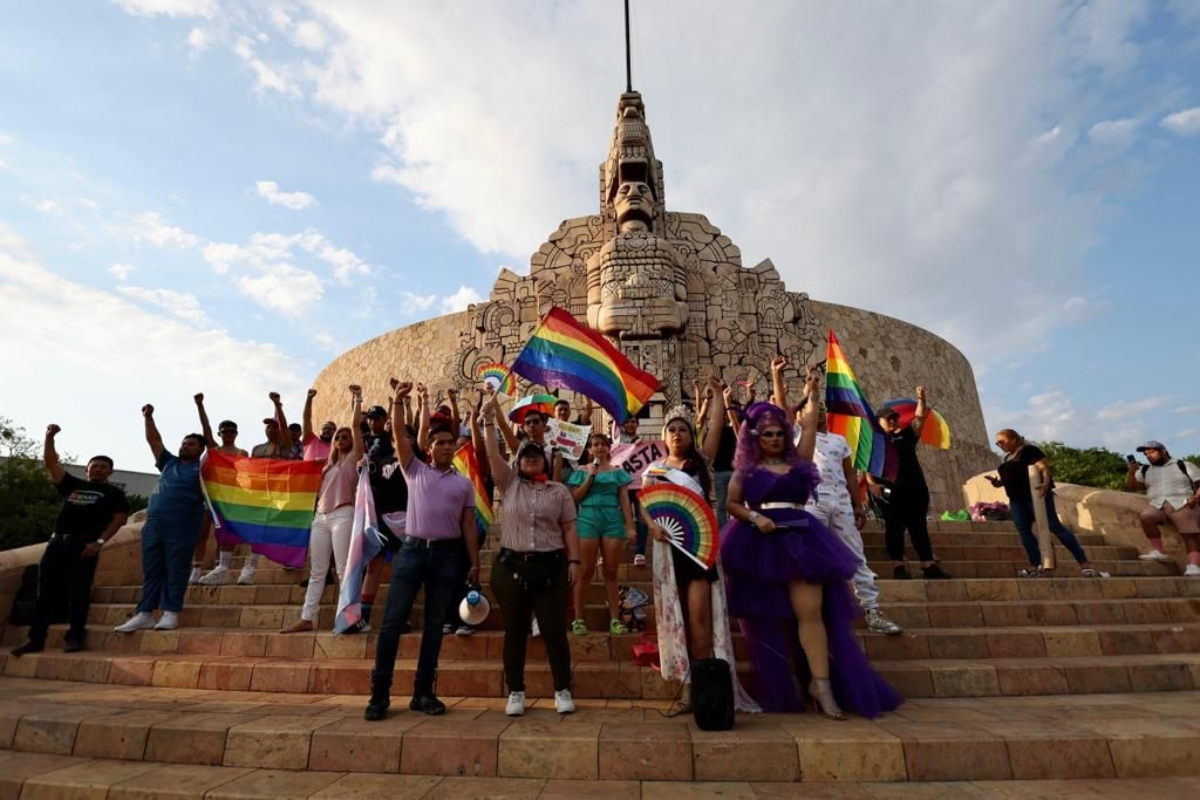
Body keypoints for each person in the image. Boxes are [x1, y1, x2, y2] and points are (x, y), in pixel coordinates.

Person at [721, 374, 902, 719]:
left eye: (779, 433)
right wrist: (753, 518)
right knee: (767, 617)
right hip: (759, 542)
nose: (775, 438)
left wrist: (814, 396)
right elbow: (732, 503)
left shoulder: (800, 460)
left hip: (801, 538)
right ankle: (786, 679)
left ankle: (822, 684)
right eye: (768, 434)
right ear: (756, 437)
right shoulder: (745, 469)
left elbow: (806, 432)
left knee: (811, 612)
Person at [640, 376, 758, 714]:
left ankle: (708, 686)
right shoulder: (654, 470)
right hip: (668, 548)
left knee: (699, 617)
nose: (677, 434)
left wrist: (719, 395)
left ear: (691, 435)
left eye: (683, 429)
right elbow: (645, 507)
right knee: (674, 617)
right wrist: (653, 528)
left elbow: (717, 425)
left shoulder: (700, 463)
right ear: (663, 437)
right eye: (672, 429)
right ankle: (688, 689)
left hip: (698, 548)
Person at [364, 381, 479, 721]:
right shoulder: (414, 470)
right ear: (429, 448)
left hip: (446, 557)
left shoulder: (464, 483)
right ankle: (379, 694)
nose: (446, 446)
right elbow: (399, 435)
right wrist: (398, 404)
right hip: (412, 552)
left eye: (450, 442)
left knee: (433, 627)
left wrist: (474, 563)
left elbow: (469, 525)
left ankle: (424, 692)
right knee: (392, 623)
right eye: (439, 442)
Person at [778, 354, 901, 634]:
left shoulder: (839, 440)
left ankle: (872, 610)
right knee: (810, 554)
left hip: (841, 502)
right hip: (811, 500)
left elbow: (849, 475)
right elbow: (784, 412)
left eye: (821, 408)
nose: (818, 411)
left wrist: (858, 506)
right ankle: (812, 612)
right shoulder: (797, 434)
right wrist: (809, 391)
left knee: (855, 554)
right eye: (813, 408)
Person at [481, 397, 580, 717]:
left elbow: (569, 529)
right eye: (526, 456)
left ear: (545, 461)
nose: (532, 459)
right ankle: (516, 691)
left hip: (550, 567)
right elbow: (493, 453)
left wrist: (575, 561)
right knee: (515, 631)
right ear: (519, 461)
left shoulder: (559, 492)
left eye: (537, 456)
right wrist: (487, 421)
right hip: (511, 567)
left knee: (554, 630)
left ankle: (562, 688)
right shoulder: (509, 485)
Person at [11, 425, 129, 657]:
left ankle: (74, 637)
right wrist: (49, 437)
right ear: (87, 469)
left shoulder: (114, 494)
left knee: (79, 592)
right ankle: (36, 639)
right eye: (94, 466)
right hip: (57, 544)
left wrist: (99, 543)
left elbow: (119, 519)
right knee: (43, 593)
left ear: (110, 472)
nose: (98, 469)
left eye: (103, 467)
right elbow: (50, 463)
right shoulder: (72, 485)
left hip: (84, 545)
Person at [115, 404, 206, 633]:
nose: (185, 446)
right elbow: (154, 441)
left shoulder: (205, 469)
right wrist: (148, 417)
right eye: (184, 443)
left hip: (182, 524)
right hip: (154, 523)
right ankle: (144, 612)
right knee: (152, 569)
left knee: (176, 568)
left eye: (191, 444)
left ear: (200, 449)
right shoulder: (169, 462)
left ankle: (170, 612)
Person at [281, 386, 365, 633]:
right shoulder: (325, 467)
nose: (341, 439)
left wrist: (357, 400)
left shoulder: (353, 458)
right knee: (317, 570)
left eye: (345, 436)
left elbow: (357, 426)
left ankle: (348, 617)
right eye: (338, 437)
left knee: (342, 569)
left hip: (343, 514)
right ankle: (307, 618)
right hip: (321, 516)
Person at [199, 392, 295, 586]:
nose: (271, 429)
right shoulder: (256, 449)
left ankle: (250, 567)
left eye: (274, 426)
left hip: (275, 494)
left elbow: (284, 429)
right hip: (254, 494)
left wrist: (278, 406)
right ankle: (223, 567)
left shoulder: (285, 447)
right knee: (232, 527)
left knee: (261, 531)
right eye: (268, 426)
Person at [988, 430, 1108, 578]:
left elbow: (1043, 467)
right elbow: (1012, 478)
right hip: (1016, 500)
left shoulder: (1029, 451)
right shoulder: (1007, 458)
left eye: (1002, 441)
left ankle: (1084, 563)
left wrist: (1045, 483)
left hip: (1035, 495)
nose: (1000, 445)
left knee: (1054, 526)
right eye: (997, 443)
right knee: (1024, 531)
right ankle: (1037, 564)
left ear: (1014, 439)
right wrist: (998, 483)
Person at [866, 388, 951, 580]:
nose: (894, 421)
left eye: (895, 418)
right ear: (879, 421)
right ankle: (899, 566)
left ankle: (928, 565)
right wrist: (871, 483)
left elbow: (919, 419)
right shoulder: (874, 441)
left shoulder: (906, 436)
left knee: (918, 527)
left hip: (915, 490)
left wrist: (922, 399)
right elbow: (865, 465)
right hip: (888, 491)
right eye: (889, 419)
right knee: (894, 528)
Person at [567, 433, 636, 635]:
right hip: (587, 518)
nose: (599, 448)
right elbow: (574, 499)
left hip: (612, 520)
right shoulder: (581, 470)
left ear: (609, 448)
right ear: (589, 450)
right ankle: (578, 618)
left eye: (603, 444)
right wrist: (590, 477)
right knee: (586, 570)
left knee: (611, 571)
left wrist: (630, 526)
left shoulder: (617, 472)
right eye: (595, 445)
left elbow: (625, 501)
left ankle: (615, 618)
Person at [189, 395, 246, 584]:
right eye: (224, 431)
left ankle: (221, 567)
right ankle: (196, 569)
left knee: (224, 534)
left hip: (230, 498)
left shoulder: (242, 453)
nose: (228, 433)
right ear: (220, 434)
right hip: (210, 497)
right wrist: (200, 405)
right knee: (201, 533)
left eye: (231, 431)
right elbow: (206, 431)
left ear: (236, 433)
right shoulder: (214, 450)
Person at [1128, 441, 1200, 576]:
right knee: (1146, 517)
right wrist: (1132, 473)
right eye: (1146, 454)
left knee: (1190, 534)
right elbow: (1133, 487)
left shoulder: (1183, 465)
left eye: (1152, 452)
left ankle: (1194, 565)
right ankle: (1159, 551)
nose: (1148, 456)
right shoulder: (1145, 470)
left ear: (1163, 451)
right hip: (1157, 504)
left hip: (1182, 502)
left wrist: (1195, 499)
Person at [300, 388, 337, 462]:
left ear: (335, 432)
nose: (326, 430)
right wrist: (309, 399)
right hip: (308, 473)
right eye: (324, 428)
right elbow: (306, 419)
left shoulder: (338, 448)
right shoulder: (311, 440)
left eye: (330, 429)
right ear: (319, 431)